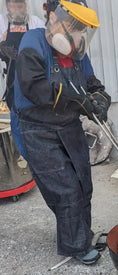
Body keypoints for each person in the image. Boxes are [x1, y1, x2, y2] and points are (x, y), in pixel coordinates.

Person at [14, 0, 111, 265]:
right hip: (38, 130)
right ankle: (75, 245)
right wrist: (74, 99)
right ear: (53, 18)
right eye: (74, 25)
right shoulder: (34, 41)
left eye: (81, 28)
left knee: (83, 183)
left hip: (68, 126)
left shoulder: (77, 52)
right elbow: (32, 85)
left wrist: (99, 98)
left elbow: (91, 83)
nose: (77, 34)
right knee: (66, 189)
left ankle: (84, 235)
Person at [0, 0, 45, 158]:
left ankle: (41, 159)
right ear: (7, 6)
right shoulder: (1, 22)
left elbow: (46, 51)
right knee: (17, 125)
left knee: (37, 124)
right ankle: (29, 160)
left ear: (26, 6)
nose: (17, 10)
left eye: (20, 6)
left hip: (35, 81)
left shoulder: (36, 23)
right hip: (13, 83)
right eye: (13, 6)